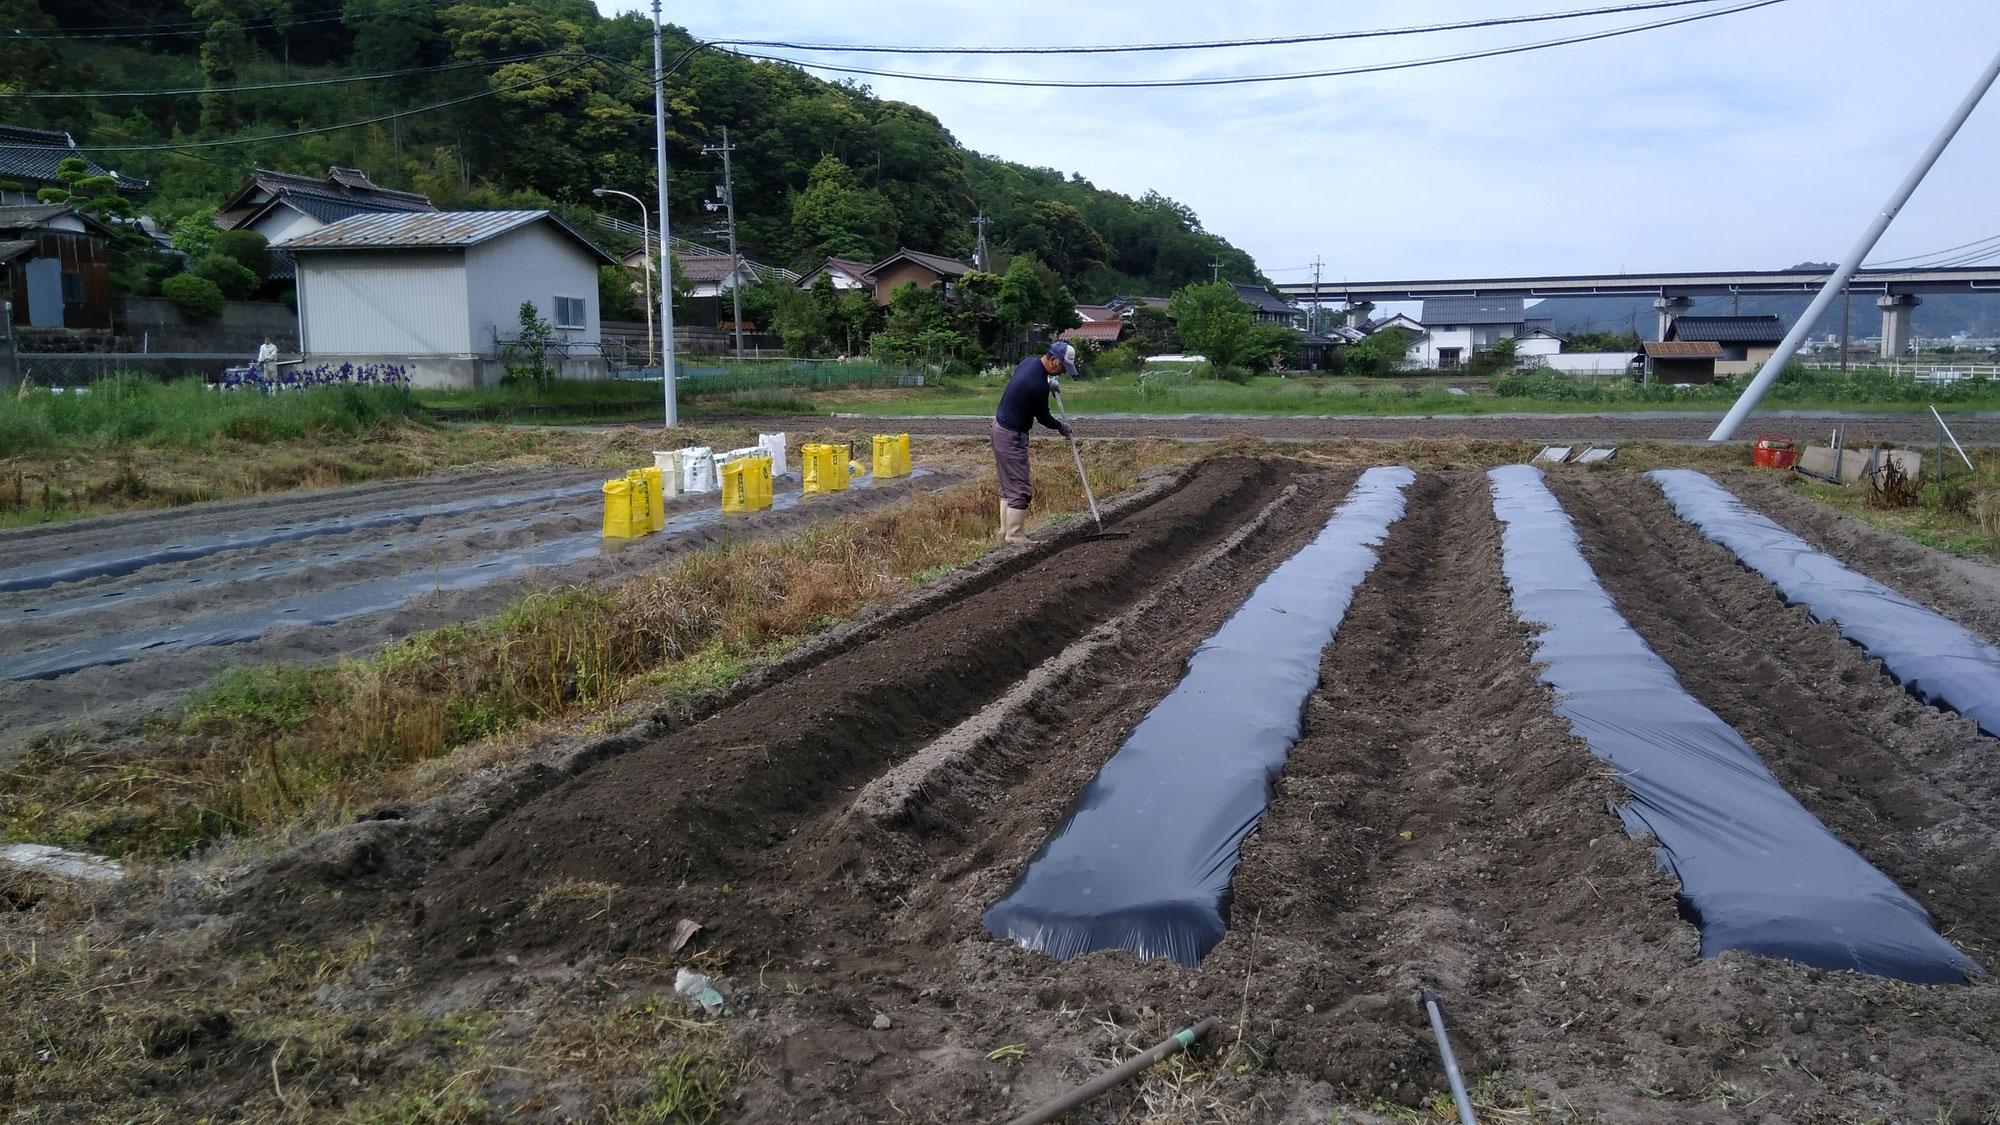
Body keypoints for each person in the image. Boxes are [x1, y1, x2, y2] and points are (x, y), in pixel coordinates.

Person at [991, 339, 1077, 543]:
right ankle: (1015, 534)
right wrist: (1061, 427)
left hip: (999, 427)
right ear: (1054, 360)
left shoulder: (1029, 362)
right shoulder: (1038, 386)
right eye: (1063, 368)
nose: (1063, 372)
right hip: (1011, 435)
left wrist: (1049, 382)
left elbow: (1030, 380)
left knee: (1008, 484)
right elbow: (1044, 417)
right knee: (1020, 487)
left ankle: (1004, 531)